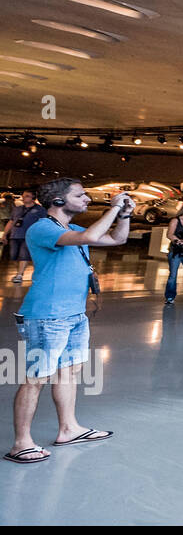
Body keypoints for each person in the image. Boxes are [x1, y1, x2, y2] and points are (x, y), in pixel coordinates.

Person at [6, 178, 132, 464]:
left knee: (69, 372)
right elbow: (88, 238)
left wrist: (123, 214)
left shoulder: (73, 228)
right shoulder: (42, 228)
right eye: (80, 195)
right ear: (59, 201)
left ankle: (68, 429)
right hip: (47, 316)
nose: (87, 199)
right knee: (35, 379)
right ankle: (21, 443)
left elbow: (117, 239)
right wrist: (112, 209)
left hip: (74, 314)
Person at [5, 191, 46, 284]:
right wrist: (4, 235)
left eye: (27, 196)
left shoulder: (40, 210)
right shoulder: (17, 209)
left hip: (29, 236)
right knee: (13, 256)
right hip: (15, 235)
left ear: (33, 198)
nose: (24, 198)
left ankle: (19, 275)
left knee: (24, 255)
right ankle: (20, 272)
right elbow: (11, 222)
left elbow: (44, 223)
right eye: (23, 196)